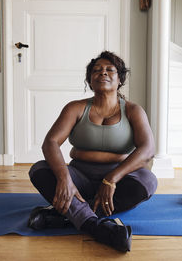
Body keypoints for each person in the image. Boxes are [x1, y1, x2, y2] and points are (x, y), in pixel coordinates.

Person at [28, 51, 157, 252]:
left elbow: (148, 150)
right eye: (96, 70)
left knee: (148, 181)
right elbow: (50, 142)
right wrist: (64, 179)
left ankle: (64, 216)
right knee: (39, 170)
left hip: (117, 180)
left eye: (109, 70)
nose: (102, 73)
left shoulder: (133, 110)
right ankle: (97, 226)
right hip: (79, 178)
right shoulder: (76, 108)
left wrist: (111, 179)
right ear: (90, 80)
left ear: (120, 78)